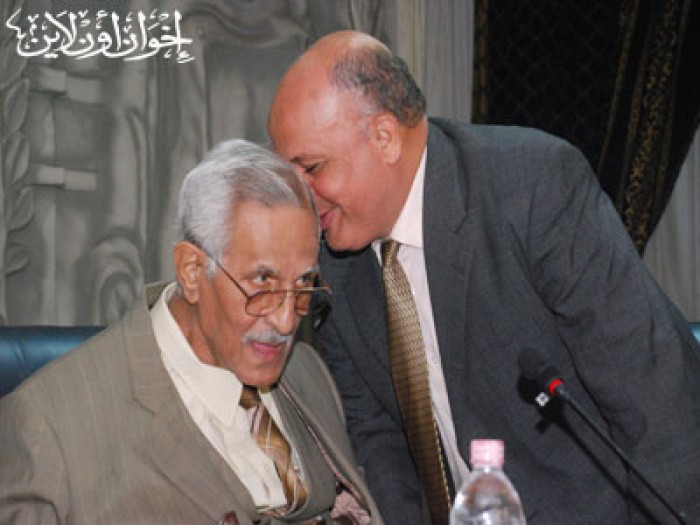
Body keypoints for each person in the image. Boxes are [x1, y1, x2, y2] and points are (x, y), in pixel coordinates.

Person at [267, 30, 700, 524]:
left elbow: (656, 400)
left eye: (312, 168)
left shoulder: (533, 188)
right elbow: (377, 435)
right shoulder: (332, 261)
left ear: (384, 137)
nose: (301, 197)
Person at [0, 139, 383, 525]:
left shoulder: (308, 371)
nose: (286, 322)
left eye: (303, 285)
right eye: (262, 282)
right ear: (192, 271)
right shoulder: (48, 428)